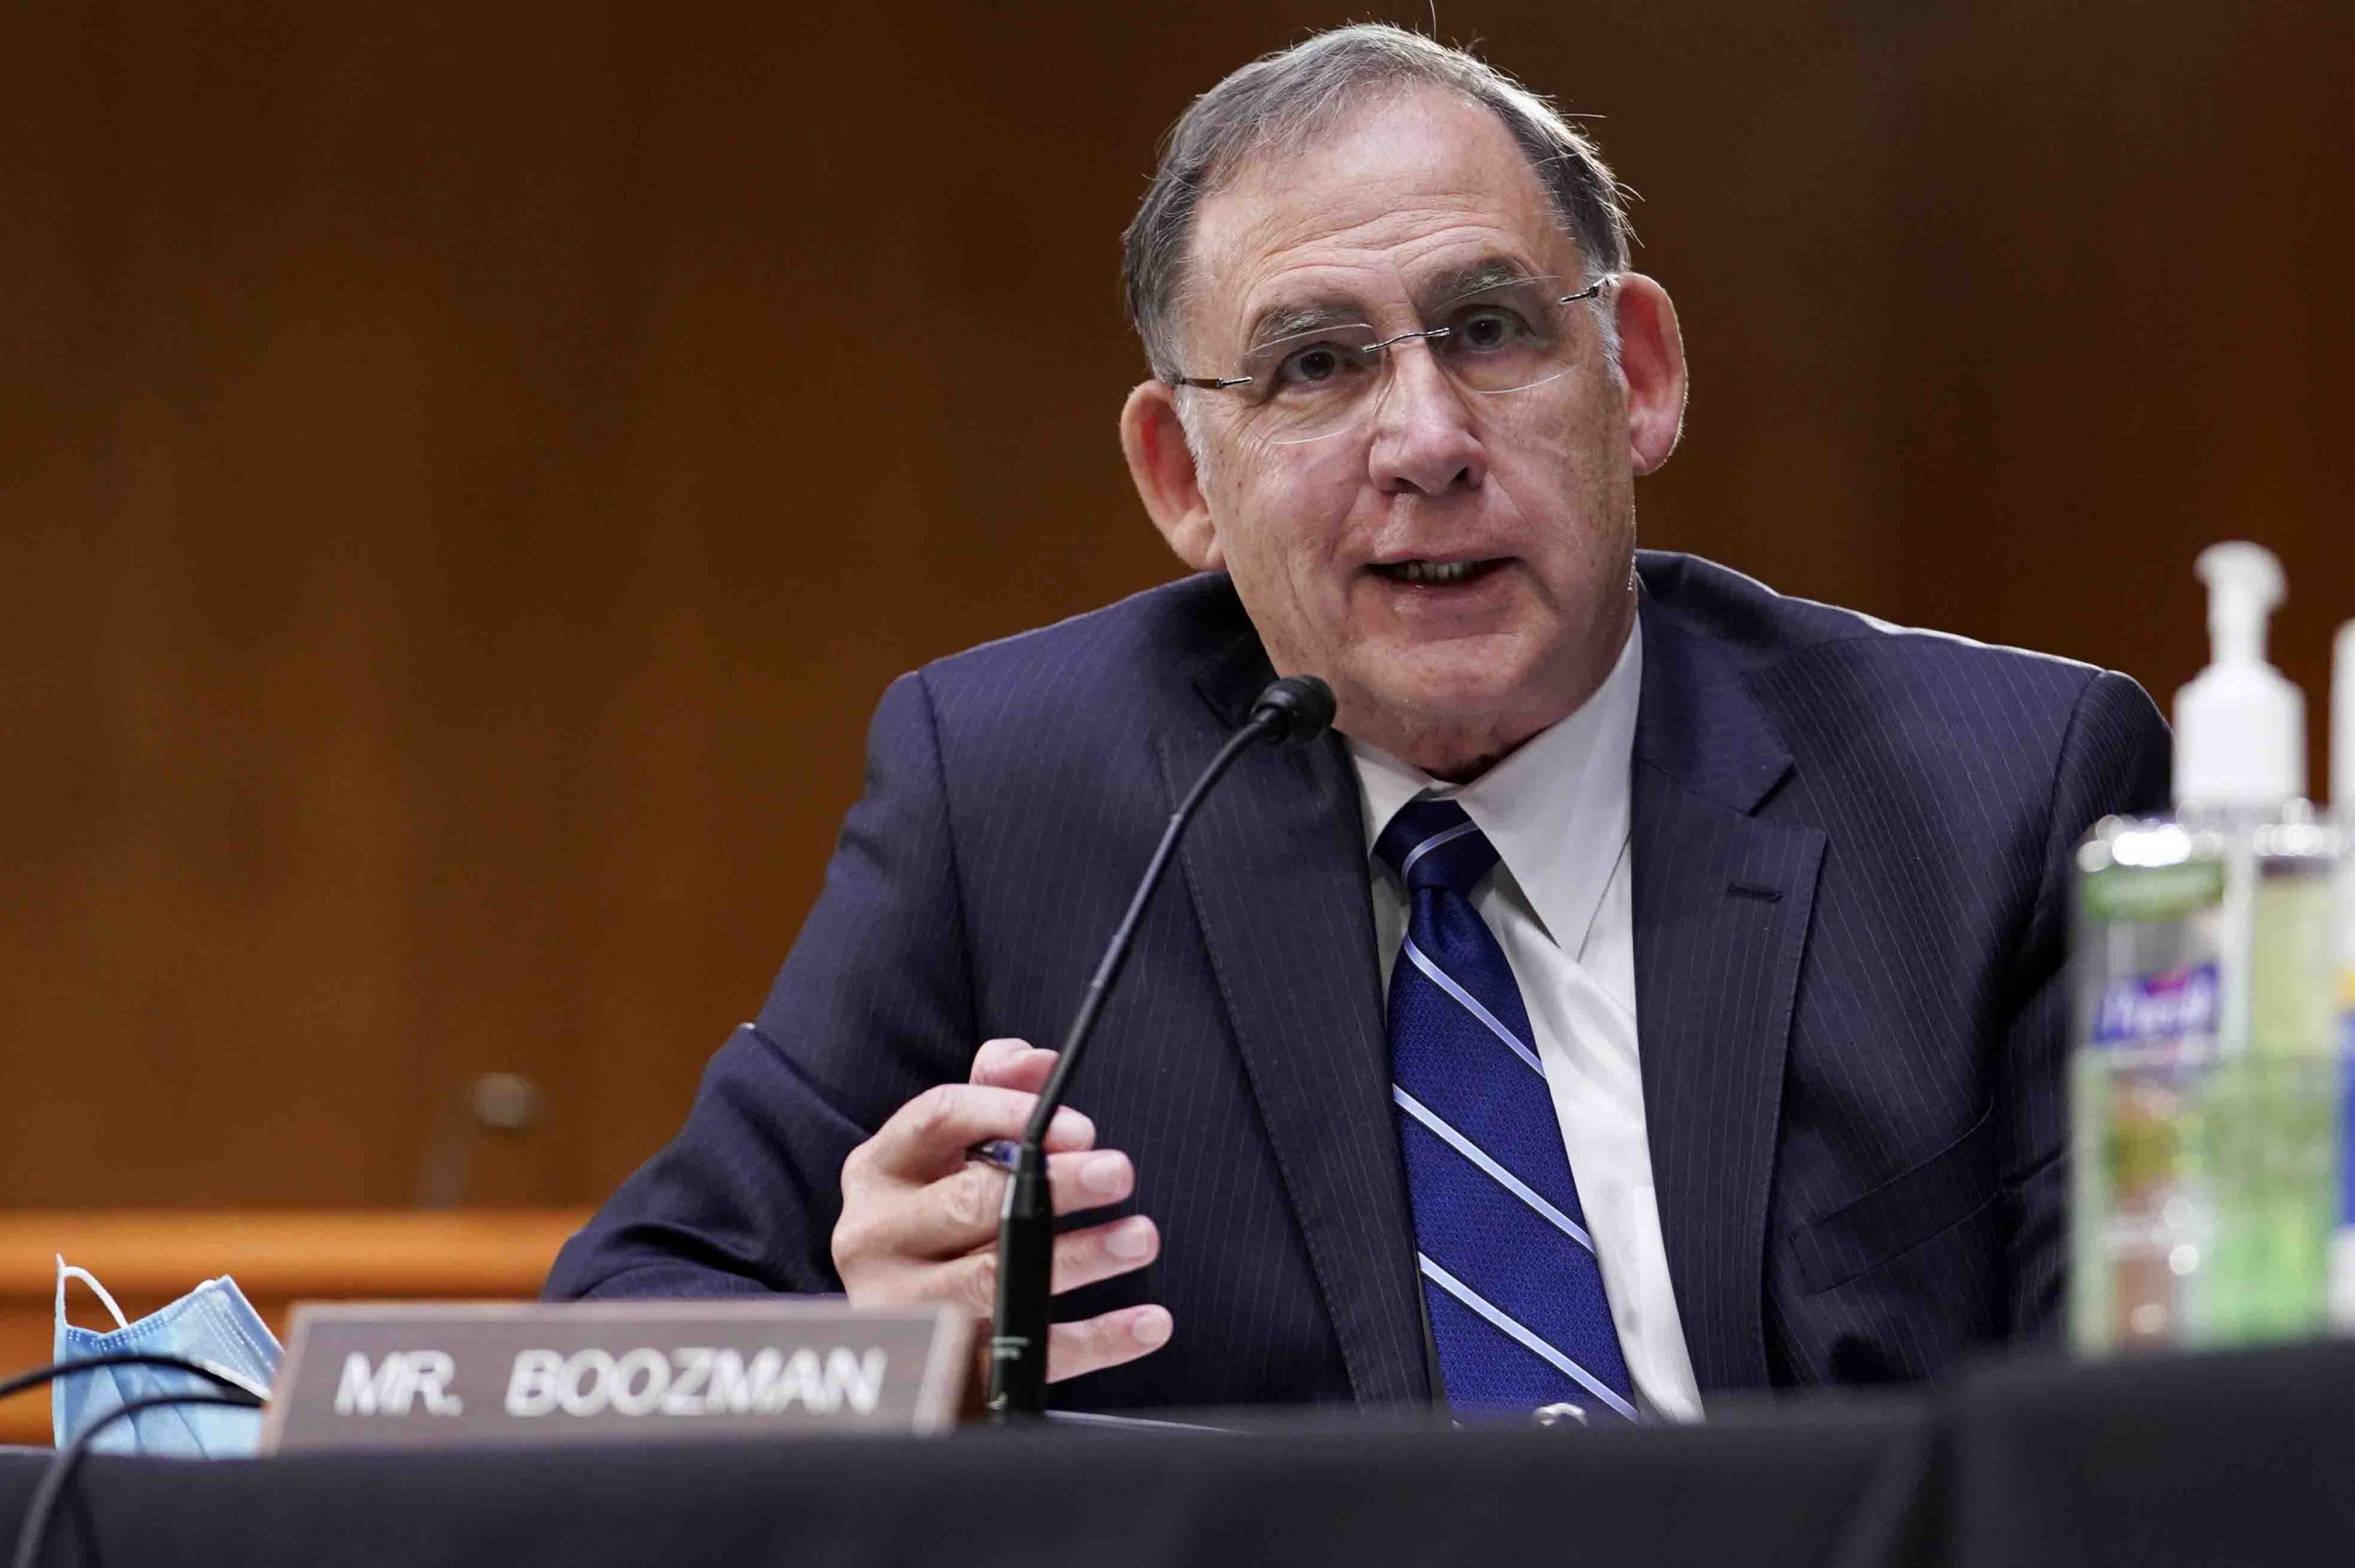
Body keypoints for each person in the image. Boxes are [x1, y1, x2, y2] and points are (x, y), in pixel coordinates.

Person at [546, 25, 2168, 1420]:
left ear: (1641, 374)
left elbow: (2165, 1422)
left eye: (1491, 328)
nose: (1427, 439)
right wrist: (865, 1359)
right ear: (1183, 479)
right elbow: (612, 1334)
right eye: (1314, 364)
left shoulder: (1999, 797)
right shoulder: (1014, 788)